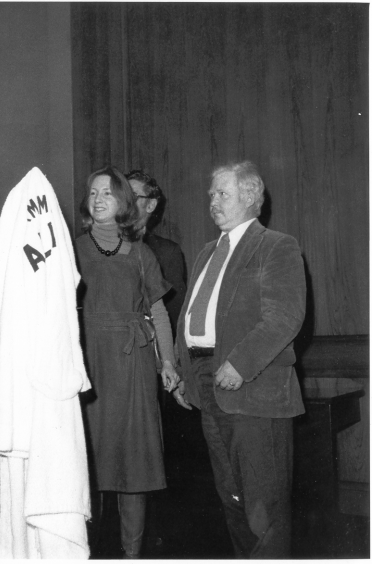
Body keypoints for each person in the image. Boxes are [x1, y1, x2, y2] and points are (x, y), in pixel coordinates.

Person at [172, 161, 306, 558]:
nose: (212, 201)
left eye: (222, 194)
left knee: (263, 507)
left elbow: (284, 317)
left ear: (250, 196)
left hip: (252, 386)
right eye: (211, 194)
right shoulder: (206, 253)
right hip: (205, 381)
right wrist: (184, 374)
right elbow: (193, 320)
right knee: (231, 499)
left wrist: (240, 364)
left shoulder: (276, 246)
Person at [75, 165, 179, 559]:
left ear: (123, 203)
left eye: (107, 193)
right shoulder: (73, 248)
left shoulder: (142, 252)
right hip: (89, 365)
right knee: (88, 464)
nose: (98, 199)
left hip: (133, 366)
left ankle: (131, 555)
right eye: (93, 193)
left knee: (133, 466)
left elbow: (158, 310)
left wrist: (167, 361)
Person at [126, 169, 187, 335]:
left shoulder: (167, 252)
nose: (125, 202)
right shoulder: (104, 246)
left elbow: (176, 314)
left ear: (151, 205)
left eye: (133, 196)